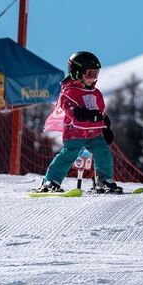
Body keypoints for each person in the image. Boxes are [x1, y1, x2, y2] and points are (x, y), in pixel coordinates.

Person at [35, 51, 123, 194]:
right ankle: (51, 181)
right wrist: (85, 114)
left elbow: (101, 113)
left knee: (103, 152)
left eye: (96, 74)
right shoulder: (69, 91)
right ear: (77, 72)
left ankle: (104, 181)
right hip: (76, 133)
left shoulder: (95, 92)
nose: (93, 78)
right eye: (89, 74)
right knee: (68, 155)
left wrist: (106, 126)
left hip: (94, 133)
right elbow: (71, 110)